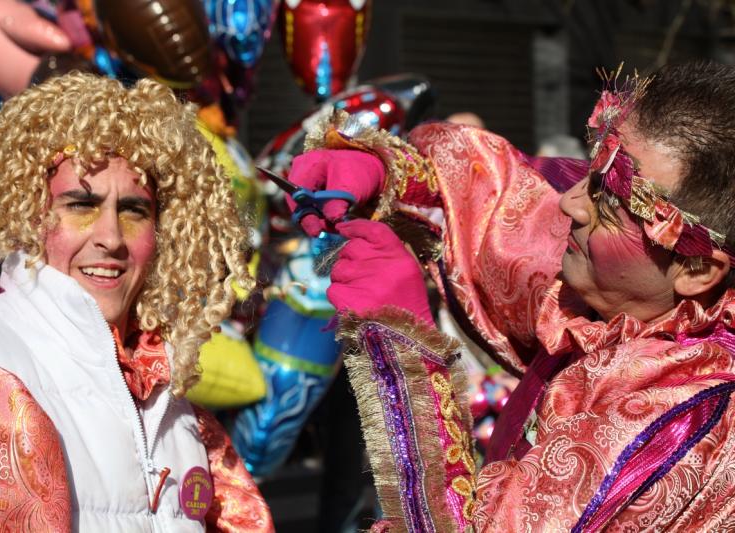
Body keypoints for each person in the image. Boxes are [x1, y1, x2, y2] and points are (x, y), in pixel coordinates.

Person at [285, 61, 735, 531]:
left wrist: (408, 355)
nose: (570, 202)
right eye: (590, 171)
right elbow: (504, 212)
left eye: (608, 200)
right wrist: (389, 173)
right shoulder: (625, 297)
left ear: (697, 268)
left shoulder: (679, 422)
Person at [0, 72, 274, 532]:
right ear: (25, 215)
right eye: (80, 205)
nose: (111, 238)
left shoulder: (167, 390)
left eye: (134, 210)